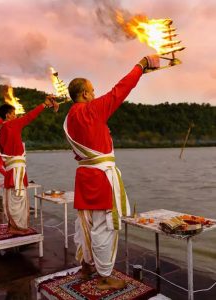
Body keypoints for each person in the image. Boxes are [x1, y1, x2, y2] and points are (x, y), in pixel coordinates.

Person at [63, 55, 160, 290]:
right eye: (92, 91)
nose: (95, 94)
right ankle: (104, 276)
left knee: (84, 223)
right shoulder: (92, 110)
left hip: (84, 176)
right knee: (104, 226)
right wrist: (140, 65)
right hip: (101, 177)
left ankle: (86, 266)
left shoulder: (68, 119)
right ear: (84, 94)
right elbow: (121, 89)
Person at [0, 96, 57, 234]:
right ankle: (18, 227)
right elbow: (30, 116)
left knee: (12, 196)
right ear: (8, 115)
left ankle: (13, 224)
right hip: (17, 168)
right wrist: (44, 104)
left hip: (11, 167)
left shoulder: (0, 130)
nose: (16, 115)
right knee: (19, 197)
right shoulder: (12, 124)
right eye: (13, 113)